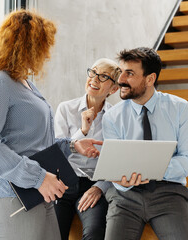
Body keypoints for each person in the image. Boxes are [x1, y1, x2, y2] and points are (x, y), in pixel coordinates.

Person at [0, 10, 102, 240]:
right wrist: (38, 177)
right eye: (43, 46)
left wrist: (74, 146)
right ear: (27, 46)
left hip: (41, 194)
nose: (46, 55)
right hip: (13, 196)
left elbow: (37, 144)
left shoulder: (26, 85)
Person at [102, 47, 188, 240]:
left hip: (169, 193)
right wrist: (119, 180)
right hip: (125, 197)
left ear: (150, 79)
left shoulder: (180, 109)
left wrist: (152, 170)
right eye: (120, 72)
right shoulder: (112, 117)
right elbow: (114, 166)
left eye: (129, 73)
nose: (120, 79)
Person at [54, 58, 120, 240]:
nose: (94, 79)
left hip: (93, 185)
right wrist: (82, 131)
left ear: (114, 89)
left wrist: (100, 187)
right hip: (63, 183)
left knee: (95, 232)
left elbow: (118, 162)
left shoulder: (116, 117)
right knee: (54, 234)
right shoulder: (66, 109)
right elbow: (56, 152)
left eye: (104, 76)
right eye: (93, 72)